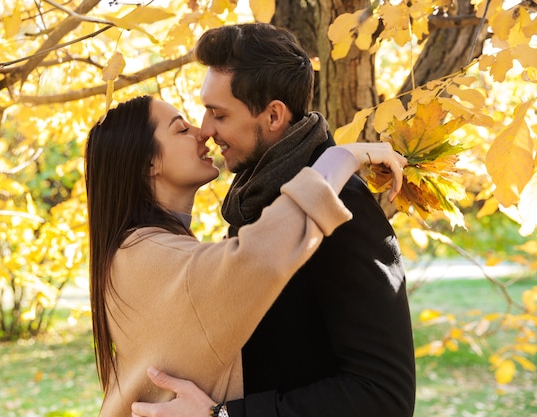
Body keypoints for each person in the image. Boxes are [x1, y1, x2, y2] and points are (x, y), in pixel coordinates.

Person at [131, 23, 417, 417]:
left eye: (218, 114)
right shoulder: (254, 207)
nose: (207, 129)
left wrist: (227, 415)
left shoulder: (343, 211)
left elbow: (385, 396)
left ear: (273, 116)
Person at [85, 94, 407, 417]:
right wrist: (340, 159)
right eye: (181, 129)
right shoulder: (142, 258)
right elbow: (259, 257)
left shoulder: (144, 251)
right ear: (148, 164)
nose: (203, 132)